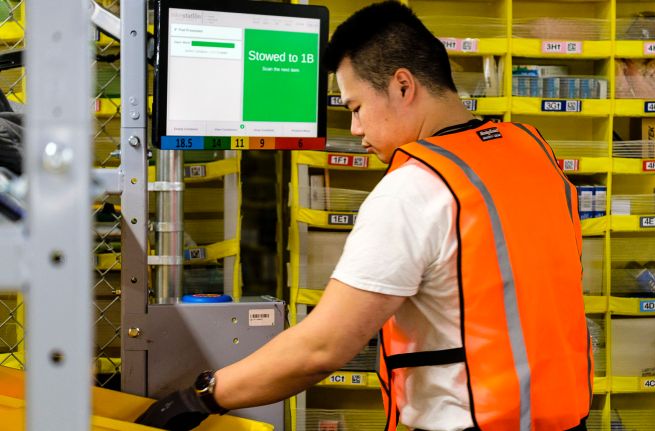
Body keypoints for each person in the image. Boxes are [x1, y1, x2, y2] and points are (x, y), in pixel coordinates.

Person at [136, 2, 592, 430]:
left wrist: (201, 397)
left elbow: (321, 348)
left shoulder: (416, 187)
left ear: (403, 86)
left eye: (356, 108)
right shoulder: (530, 149)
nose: (355, 131)